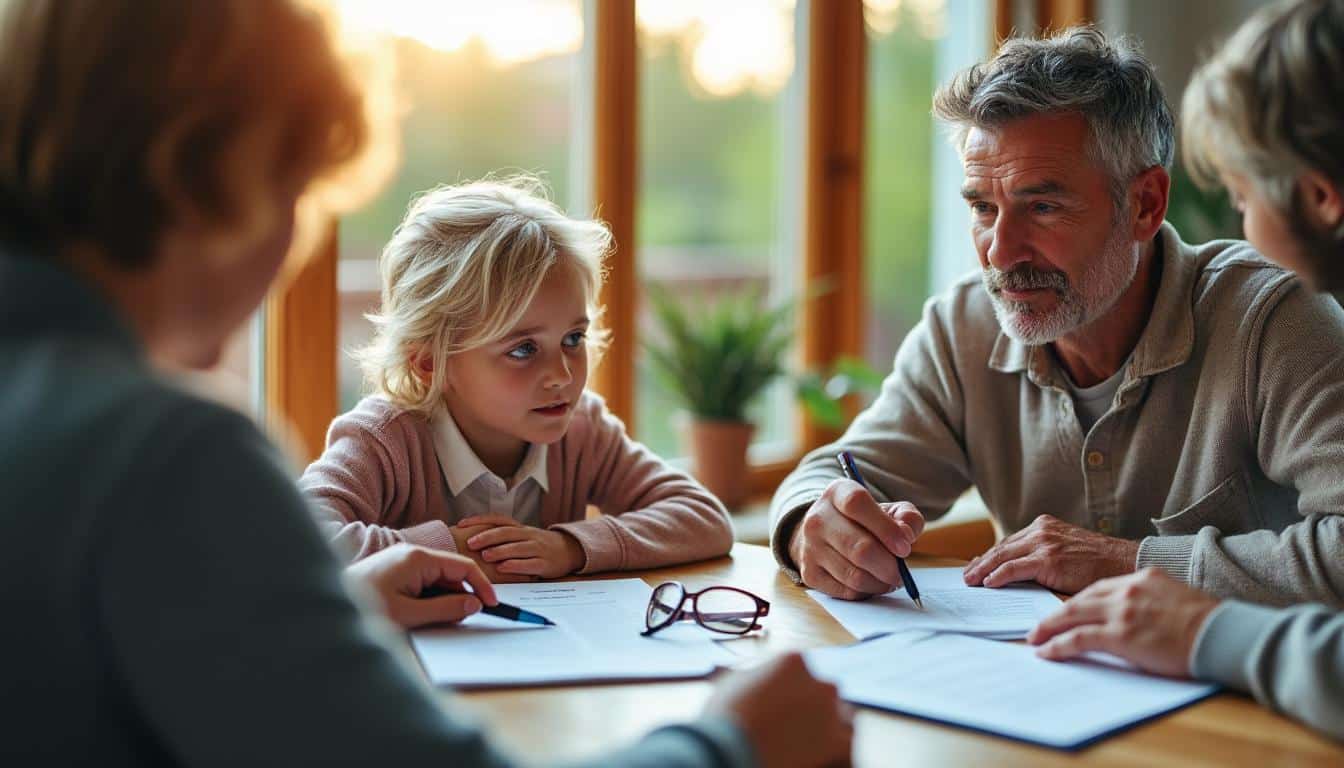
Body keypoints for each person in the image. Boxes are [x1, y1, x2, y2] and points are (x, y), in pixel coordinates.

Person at [0, 1, 852, 765]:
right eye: (296, 191)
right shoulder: (167, 454)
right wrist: (725, 745)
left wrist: (341, 601)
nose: (291, 249)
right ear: (200, 175)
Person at [771, 25, 1344, 609]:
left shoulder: (1273, 319)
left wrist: (1127, 563)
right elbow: (834, 473)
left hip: (1237, 693)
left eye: (1042, 207)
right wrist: (811, 525)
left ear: (1144, 205)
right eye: (982, 207)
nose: (999, 251)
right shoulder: (962, 327)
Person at [1029, 0, 1344, 742]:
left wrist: (1209, 632)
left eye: (1240, 195)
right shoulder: (967, 320)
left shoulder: (1275, 314)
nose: (1239, 224)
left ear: (1322, 197)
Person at [300, 177, 734, 581]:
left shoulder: (583, 431)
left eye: (572, 338)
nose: (562, 375)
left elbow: (703, 517)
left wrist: (569, 547)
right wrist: (444, 549)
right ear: (429, 362)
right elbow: (296, 543)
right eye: (523, 349)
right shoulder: (384, 441)